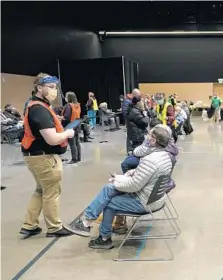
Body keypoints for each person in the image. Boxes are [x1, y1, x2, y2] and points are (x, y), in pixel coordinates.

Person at [65, 125, 174, 249]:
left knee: (110, 202)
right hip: (155, 197)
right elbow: (148, 176)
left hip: (145, 202)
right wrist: (133, 172)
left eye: (149, 135)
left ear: (154, 140)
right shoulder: (165, 156)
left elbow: (133, 186)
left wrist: (117, 181)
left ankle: (104, 238)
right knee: (109, 188)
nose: (146, 136)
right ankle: (86, 223)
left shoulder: (150, 160)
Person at [20, 73, 75, 239]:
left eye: (55, 87)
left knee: (40, 190)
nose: (54, 91)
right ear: (39, 88)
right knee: (51, 191)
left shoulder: (34, 106)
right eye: (50, 87)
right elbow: (52, 139)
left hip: (34, 156)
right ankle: (54, 227)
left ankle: (29, 225)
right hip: (44, 158)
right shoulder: (39, 109)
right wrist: (68, 133)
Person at [62, 91, 82, 164]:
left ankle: (74, 159)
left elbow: (66, 117)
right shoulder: (77, 105)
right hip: (77, 125)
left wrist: (60, 118)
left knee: (72, 143)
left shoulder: (68, 106)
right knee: (77, 143)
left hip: (70, 126)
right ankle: (78, 157)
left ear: (69, 98)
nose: (65, 98)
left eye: (66, 97)